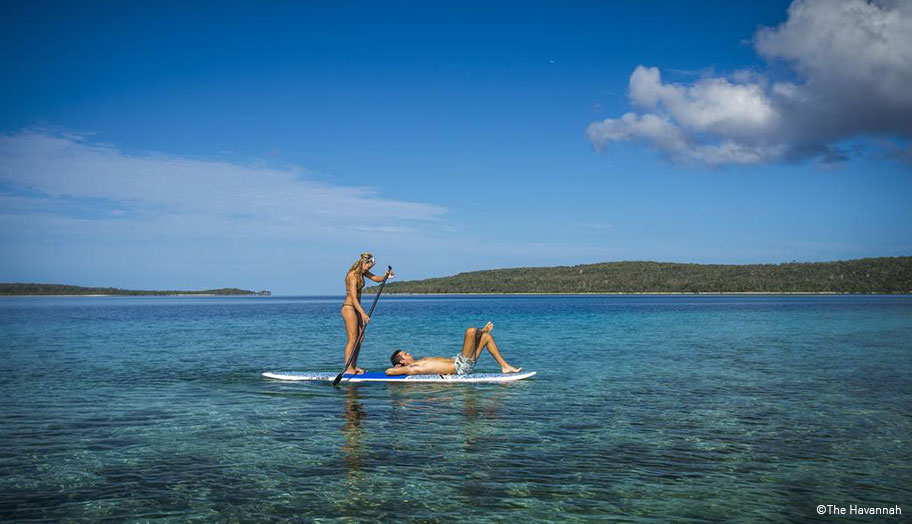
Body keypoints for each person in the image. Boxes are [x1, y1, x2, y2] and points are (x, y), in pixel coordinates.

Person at [386, 322, 522, 376]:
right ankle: (483, 329)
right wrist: (398, 369)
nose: (409, 353)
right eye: (405, 354)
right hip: (460, 367)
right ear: (401, 362)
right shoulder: (411, 368)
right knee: (471, 331)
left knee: (486, 337)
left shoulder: (418, 362)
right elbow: (389, 371)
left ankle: (504, 366)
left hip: (459, 362)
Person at [341, 253, 393, 374]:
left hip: (356, 308)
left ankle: (353, 366)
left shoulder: (362, 273)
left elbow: (375, 279)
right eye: (369, 266)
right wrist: (363, 314)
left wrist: (386, 276)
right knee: (352, 338)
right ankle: (348, 369)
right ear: (363, 263)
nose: (369, 269)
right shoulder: (353, 275)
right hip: (349, 308)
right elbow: (353, 298)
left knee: (360, 337)